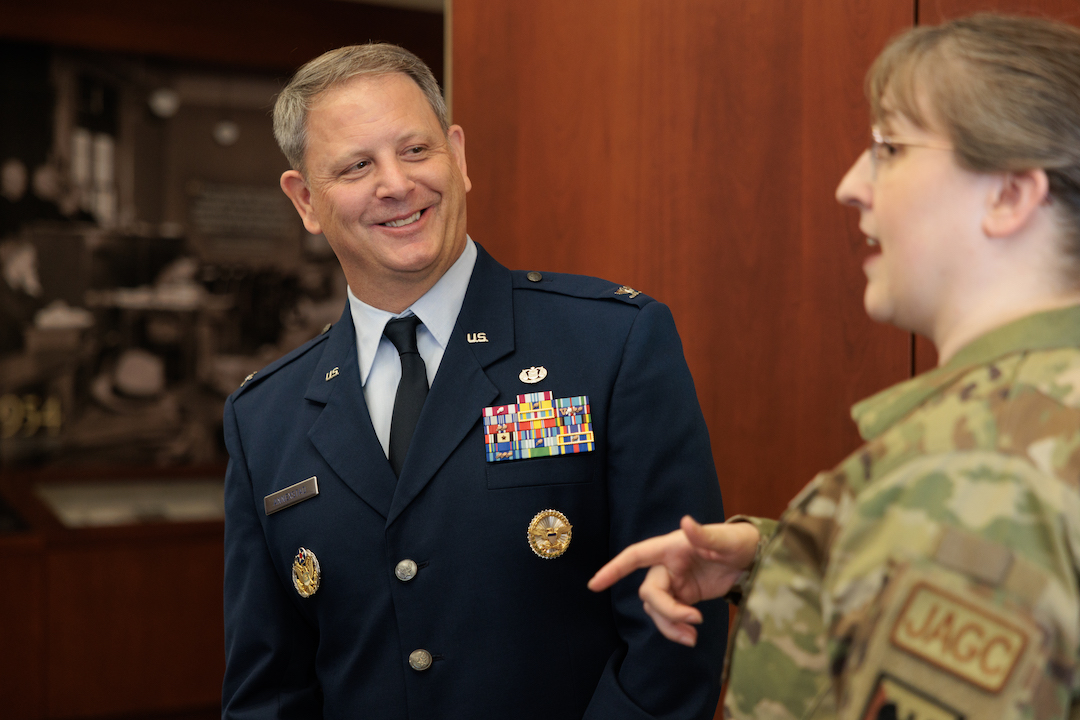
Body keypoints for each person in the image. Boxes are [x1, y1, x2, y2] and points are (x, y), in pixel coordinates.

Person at [590, 13, 1080, 720]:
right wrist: (787, 559)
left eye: (889, 148)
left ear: (1009, 195)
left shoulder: (969, 476)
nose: (852, 184)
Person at [221, 43, 727, 718]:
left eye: (416, 151)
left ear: (457, 156)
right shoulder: (265, 419)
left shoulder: (611, 345)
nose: (396, 184)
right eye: (356, 166)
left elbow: (676, 630)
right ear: (306, 199)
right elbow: (269, 689)